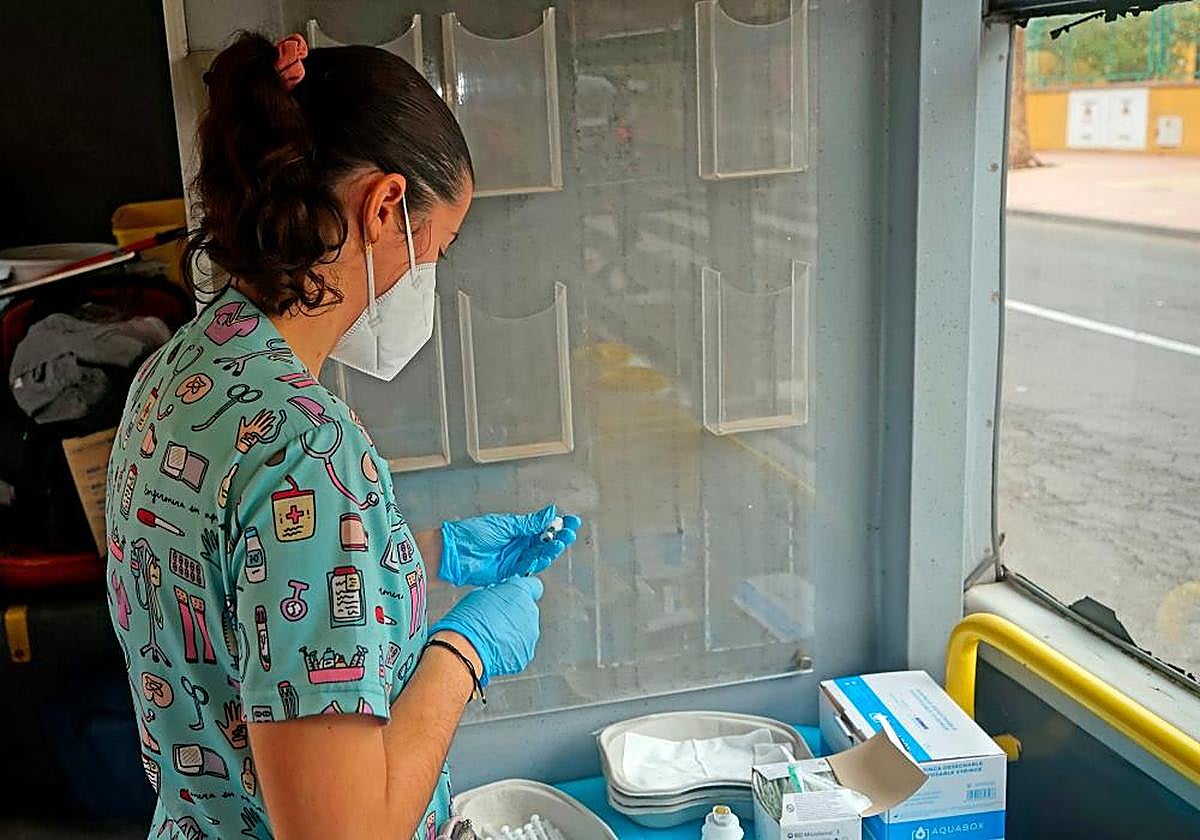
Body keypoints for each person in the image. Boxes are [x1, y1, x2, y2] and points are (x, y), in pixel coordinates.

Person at [105, 32, 581, 840]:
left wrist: (421, 556)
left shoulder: (181, 370)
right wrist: (462, 652)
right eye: (436, 249)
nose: (425, 277)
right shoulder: (304, 451)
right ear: (384, 206)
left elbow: (242, 597)